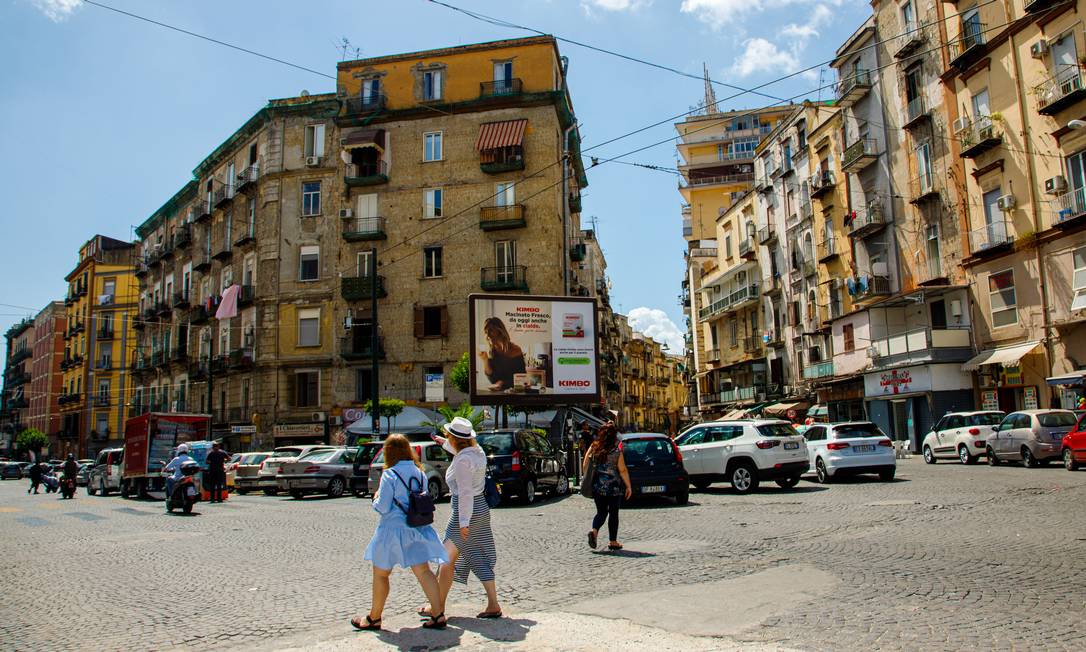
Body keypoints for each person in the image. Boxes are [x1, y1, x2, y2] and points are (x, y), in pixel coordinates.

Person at [352, 434, 448, 632]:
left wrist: (376, 497)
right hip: (417, 528)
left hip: (392, 530)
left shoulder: (390, 474)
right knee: (424, 571)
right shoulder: (419, 472)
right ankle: (438, 614)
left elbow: (384, 506)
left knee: (381, 574)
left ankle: (374, 618)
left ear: (388, 452)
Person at [419, 416, 502, 621]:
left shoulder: (464, 460)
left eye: (448, 436)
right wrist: (443, 442)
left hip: (466, 511)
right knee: (475, 554)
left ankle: (436, 607)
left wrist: (463, 522)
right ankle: (493, 604)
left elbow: (465, 492)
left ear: (454, 438)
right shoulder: (477, 452)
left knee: (445, 558)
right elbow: (461, 451)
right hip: (480, 508)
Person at [583, 422, 632, 551]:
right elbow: (622, 470)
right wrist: (628, 486)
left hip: (598, 487)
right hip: (614, 488)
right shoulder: (616, 450)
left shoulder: (594, 447)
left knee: (601, 512)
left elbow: (585, 464)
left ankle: (594, 531)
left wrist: (587, 478)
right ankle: (613, 541)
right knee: (613, 513)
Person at [479, 317, 526, 391]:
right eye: (485, 332)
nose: (487, 335)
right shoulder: (491, 351)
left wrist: (503, 383)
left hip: (515, 393)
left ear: (500, 331)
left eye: (490, 330)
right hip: (499, 394)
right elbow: (493, 380)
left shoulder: (515, 350)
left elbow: (522, 377)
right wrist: (485, 360)